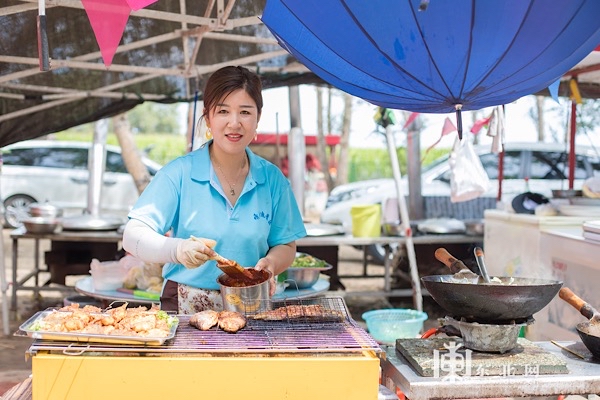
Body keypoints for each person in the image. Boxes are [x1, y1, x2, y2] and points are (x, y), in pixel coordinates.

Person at [122, 66, 306, 314]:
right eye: (223, 111)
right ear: (208, 117)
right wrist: (177, 250)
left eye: (245, 112)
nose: (234, 123)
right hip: (184, 306)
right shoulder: (178, 173)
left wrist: (270, 265)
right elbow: (133, 236)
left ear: (257, 118)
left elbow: (286, 245)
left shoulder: (273, 179)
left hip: (252, 303)